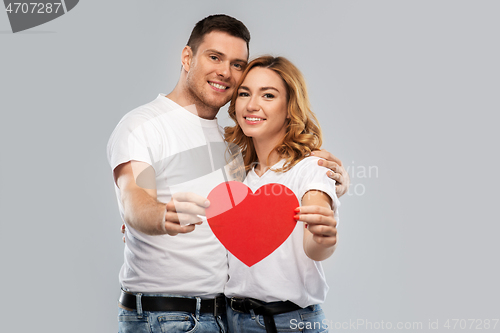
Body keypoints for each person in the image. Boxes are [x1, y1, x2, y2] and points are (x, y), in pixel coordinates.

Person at [107, 14, 349, 333]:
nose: (225, 71)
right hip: (166, 317)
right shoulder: (142, 125)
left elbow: (278, 195)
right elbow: (136, 198)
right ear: (186, 57)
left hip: (226, 317)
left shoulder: (234, 145)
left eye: (237, 64)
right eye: (214, 57)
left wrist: (335, 184)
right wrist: (157, 216)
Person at [223, 56, 338, 333]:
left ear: (289, 108)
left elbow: (315, 244)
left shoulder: (311, 168)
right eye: (244, 93)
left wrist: (324, 238)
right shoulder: (237, 176)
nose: (252, 105)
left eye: (269, 95)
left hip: (289, 324)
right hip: (231, 321)